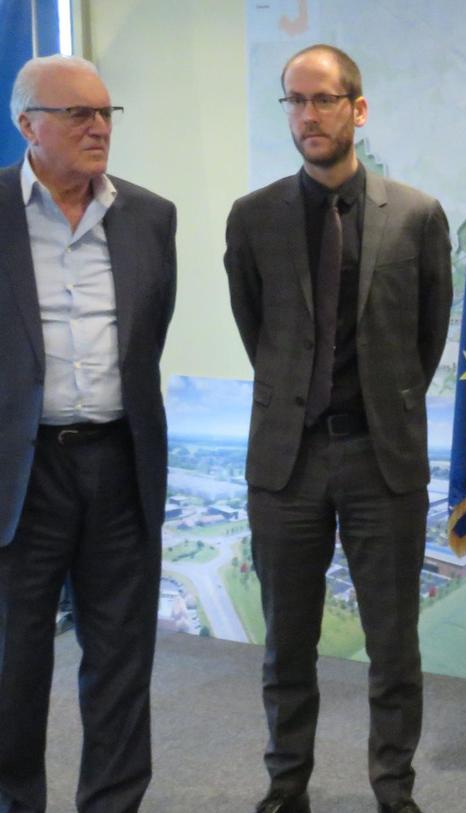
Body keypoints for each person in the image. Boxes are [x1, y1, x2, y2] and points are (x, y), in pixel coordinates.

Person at [224, 44, 451, 813]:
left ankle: (394, 791)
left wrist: (375, 408)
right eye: (294, 100)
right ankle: (286, 788)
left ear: (357, 109)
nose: (307, 115)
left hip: (380, 458)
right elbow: (259, 332)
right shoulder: (253, 218)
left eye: (322, 100)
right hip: (287, 461)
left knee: (394, 646)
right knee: (287, 643)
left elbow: (427, 337)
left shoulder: (416, 215)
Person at [0, 55, 177, 813]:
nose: (98, 127)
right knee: (14, 662)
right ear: (27, 124)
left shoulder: (150, 215)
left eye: (105, 112)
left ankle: (112, 803)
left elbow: (148, 339)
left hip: (118, 463)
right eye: (77, 114)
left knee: (121, 658)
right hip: (21, 472)